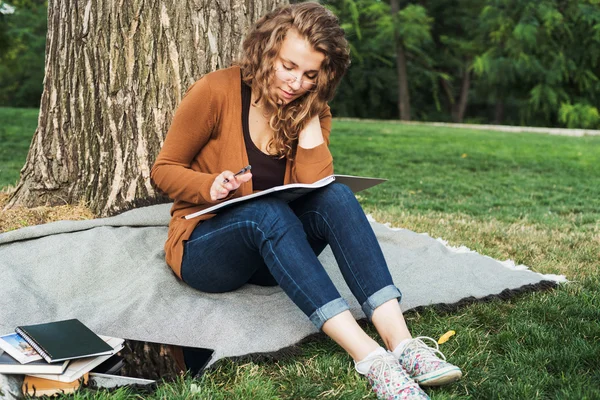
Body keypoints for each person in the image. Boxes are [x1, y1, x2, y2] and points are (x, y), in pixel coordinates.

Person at [150, 2, 462, 399]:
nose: (295, 82)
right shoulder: (216, 90)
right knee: (265, 211)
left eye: (310, 74)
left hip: (273, 256)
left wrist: (310, 111)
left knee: (337, 195)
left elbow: (315, 185)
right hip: (207, 249)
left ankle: (403, 345)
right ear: (266, 52)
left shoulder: (313, 107)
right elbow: (163, 169)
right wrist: (208, 185)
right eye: (288, 67)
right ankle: (371, 359)